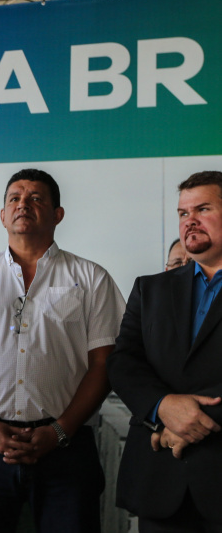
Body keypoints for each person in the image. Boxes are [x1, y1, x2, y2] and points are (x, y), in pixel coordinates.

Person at [0, 169, 125, 533]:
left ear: (58, 214)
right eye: (14, 198)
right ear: (2, 215)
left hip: (66, 449)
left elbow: (104, 363)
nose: (23, 204)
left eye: (36, 198)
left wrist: (59, 432)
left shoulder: (91, 278)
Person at [108, 170, 222, 531]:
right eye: (183, 213)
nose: (190, 221)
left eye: (202, 209)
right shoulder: (151, 289)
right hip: (159, 479)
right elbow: (124, 362)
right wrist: (162, 409)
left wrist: (189, 425)